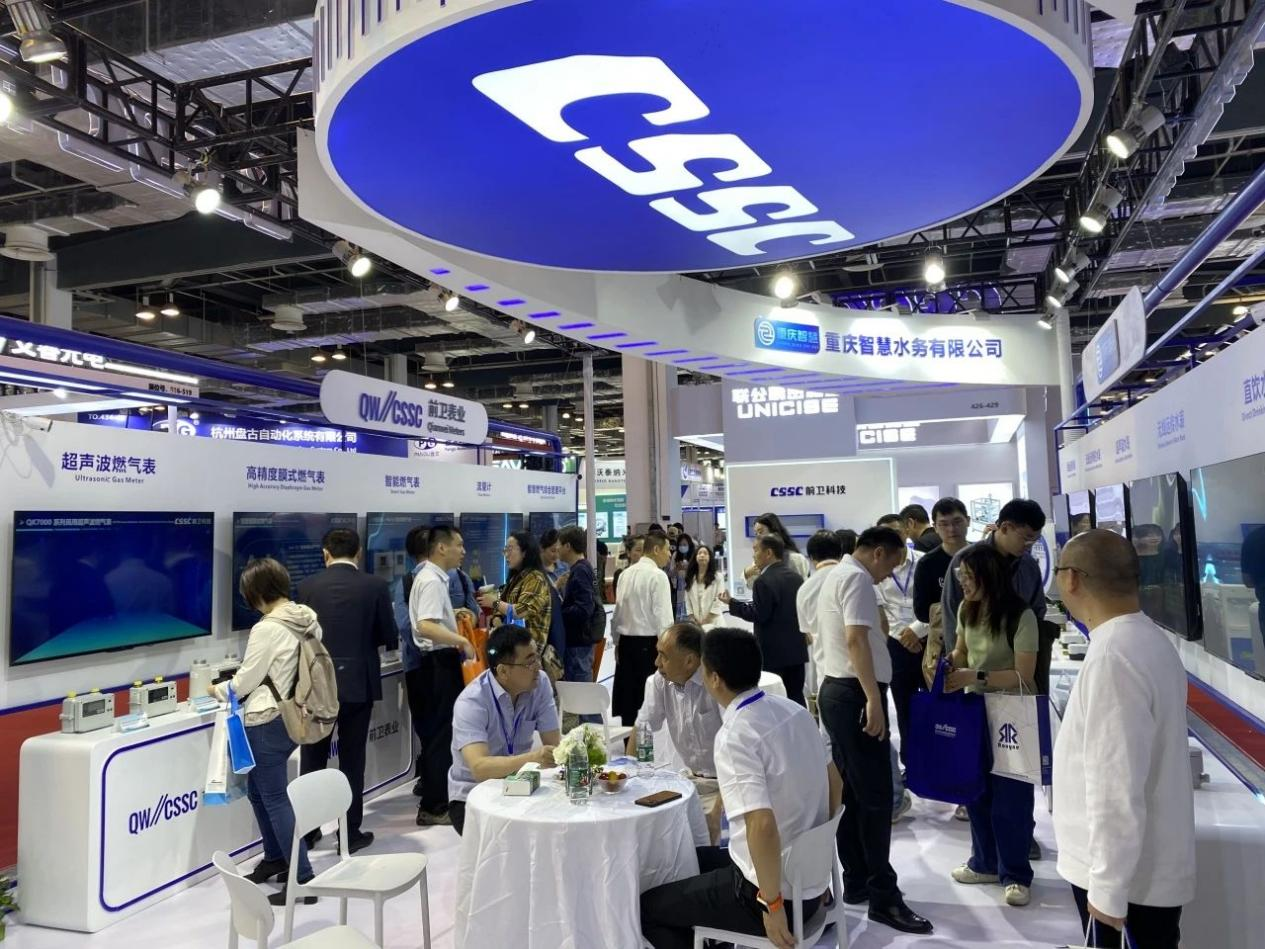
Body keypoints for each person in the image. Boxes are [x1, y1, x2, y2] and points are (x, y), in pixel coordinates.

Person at [640, 627, 843, 949]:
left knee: (647, 908)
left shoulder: (736, 735)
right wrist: (814, 862)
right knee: (682, 862)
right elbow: (835, 784)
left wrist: (772, 905)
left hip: (766, 893)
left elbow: (761, 826)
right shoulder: (797, 712)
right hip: (806, 882)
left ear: (714, 678)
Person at [1053, 530, 1195, 949]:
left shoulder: (1114, 655)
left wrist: (1107, 888)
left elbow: (1114, 783)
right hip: (1139, 871)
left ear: (1071, 579)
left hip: (1128, 883)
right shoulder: (1145, 638)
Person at [816, 526, 933, 935]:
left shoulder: (838, 575)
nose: (889, 575)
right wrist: (872, 698)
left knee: (852, 793)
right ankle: (884, 896)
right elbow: (856, 641)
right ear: (879, 553)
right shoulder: (857, 579)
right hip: (853, 693)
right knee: (878, 797)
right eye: (892, 565)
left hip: (838, 690)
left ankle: (859, 880)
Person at [943, 544, 1039, 907]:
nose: (963, 583)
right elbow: (961, 651)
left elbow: (1023, 675)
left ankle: (1015, 874)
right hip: (974, 709)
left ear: (989, 576)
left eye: (969, 577)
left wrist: (975, 675)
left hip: (1012, 713)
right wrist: (950, 663)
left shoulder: (1020, 616)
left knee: (1011, 798)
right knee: (976, 791)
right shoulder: (967, 610)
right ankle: (984, 862)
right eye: (961, 577)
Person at [217, 557, 318, 903]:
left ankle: (302, 879)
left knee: (274, 797)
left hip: (266, 718)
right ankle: (275, 857)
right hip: (294, 715)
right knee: (260, 793)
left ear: (256, 593)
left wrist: (217, 689)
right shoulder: (306, 617)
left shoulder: (267, 628)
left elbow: (245, 681)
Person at [296, 528, 397, 853]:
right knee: (353, 760)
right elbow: (388, 634)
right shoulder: (375, 586)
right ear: (359, 553)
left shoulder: (306, 587)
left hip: (316, 687)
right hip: (358, 683)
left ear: (325, 553)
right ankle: (349, 833)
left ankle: (308, 831)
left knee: (312, 759)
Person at [447, 625, 561, 836]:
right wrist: (533, 758)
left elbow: (554, 745)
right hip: (472, 796)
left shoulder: (540, 683)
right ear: (503, 671)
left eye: (536, 657)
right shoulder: (472, 702)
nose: (538, 667)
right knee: (514, 842)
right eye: (529, 662)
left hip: (520, 785)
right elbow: (480, 769)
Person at [626, 623, 725, 839]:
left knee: (705, 838)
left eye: (664, 656)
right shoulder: (660, 680)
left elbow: (737, 753)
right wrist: (627, 776)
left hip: (724, 786)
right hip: (688, 781)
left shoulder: (717, 682)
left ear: (689, 661)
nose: (656, 662)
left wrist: (718, 813)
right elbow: (643, 727)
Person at [410, 524, 478, 827]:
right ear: (441, 547)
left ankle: (437, 800)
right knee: (441, 736)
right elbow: (425, 625)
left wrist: (454, 615)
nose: (463, 551)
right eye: (458, 545)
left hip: (437, 662)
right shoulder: (431, 580)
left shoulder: (432, 578)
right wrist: (460, 640)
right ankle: (434, 805)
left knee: (442, 734)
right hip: (438, 663)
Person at [942, 498, 1048, 654]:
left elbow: (1038, 610)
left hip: (1021, 660)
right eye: (1026, 538)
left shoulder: (1029, 565)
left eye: (1035, 540)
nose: (1029, 545)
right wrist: (957, 661)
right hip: (974, 661)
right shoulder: (966, 560)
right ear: (1005, 528)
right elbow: (951, 615)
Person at [720, 534, 808, 707]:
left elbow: (759, 614)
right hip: (796, 651)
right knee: (796, 698)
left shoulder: (763, 581)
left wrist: (732, 604)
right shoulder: (796, 578)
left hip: (773, 653)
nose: (753, 556)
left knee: (774, 703)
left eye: (756, 550)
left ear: (768, 553)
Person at [874, 514, 926, 773]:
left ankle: (938, 762)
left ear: (907, 530)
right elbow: (881, 608)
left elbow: (936, 602)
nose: (892, 537)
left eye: (896, 530)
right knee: (903, 705)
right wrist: (903, 635)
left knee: (934, 702)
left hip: (929, 639)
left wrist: (917, 630)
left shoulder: (924, 561)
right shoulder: (878, 568)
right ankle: (912, 765)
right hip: (896, 644)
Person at [611, 531, 675, 725]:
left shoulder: (625, 574)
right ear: (656, 549)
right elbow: (663, 619)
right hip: (649, 647)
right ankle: (648, 742)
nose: (669, 554)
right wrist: (668, 652)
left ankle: (629, 740)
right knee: (649, 702)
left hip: (626, 645)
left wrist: (617, 643)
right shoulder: (658, 576)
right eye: (667, 549)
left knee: (628, 702)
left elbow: (617, 614)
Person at [479, 531, 552, 648]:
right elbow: (502, 610)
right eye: (505, 550)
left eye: (510, 549)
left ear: (525, 552)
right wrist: (497, 618)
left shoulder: (535, 578)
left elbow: (521, 611)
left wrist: (495, 603)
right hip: (512, 646)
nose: (506, 555)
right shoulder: (515, 578)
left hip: (529, 649)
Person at [796, 529, 843, 697]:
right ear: (840, 553)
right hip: (861, 667)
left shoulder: (804, 589)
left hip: (825, 669)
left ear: (811, 558)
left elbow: (807, 634)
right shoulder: (855, 577)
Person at [557, 525, 600, 684]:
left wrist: (560, 612)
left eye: (559, 544)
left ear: (568, 546)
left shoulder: (580, 571)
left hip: (578, 644)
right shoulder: (582, 568)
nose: (557, 549)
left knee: (580, 691)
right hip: (580, 642)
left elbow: (584, 609)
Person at [745, 513, 810, 580]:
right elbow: (752, 582)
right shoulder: (761, 560)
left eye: (760, 532)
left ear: (773, 532)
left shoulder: (795, 559)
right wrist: (746, 573)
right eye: (756, 534)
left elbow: (802, 584)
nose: (758, 536)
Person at [685, 544, 724, 627]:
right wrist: (692, 618)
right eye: (699, 553)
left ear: (710, 558)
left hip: (714, 622)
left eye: (705, 553)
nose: (702, 555)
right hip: (696, 623)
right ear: (695, 557)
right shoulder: (690, 578)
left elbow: (719, 600)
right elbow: (687, 601)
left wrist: (706, 620)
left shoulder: (718, 577)